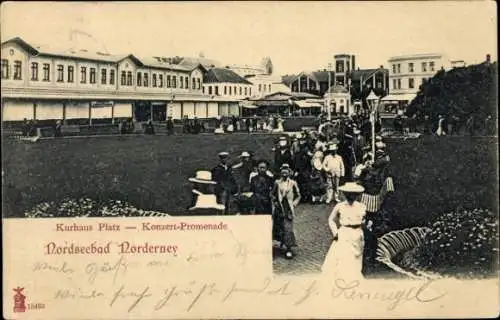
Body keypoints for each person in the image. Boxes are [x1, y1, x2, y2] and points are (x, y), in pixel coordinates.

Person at [322, 182, 369, 279]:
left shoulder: (361, 206)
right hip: (344, 234)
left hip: (357, 234)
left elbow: (364, 220)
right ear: (345, 194)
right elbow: (331, 219)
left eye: (353, 194)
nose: (351, 196)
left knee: (356, 259)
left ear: (356, 195)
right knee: (344, 258)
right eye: (348, 194)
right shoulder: (340, 206)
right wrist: (335, 232)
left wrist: (366, 223)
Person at [272, 164, 301, 259]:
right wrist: (275, 202)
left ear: (289, 172)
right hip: (279, 208)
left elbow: (298, 195)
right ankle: (279, 246)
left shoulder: (293, 183)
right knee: (279, 227)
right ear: (280, 172)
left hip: (288, 208)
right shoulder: (277, 183)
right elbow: (272, 194)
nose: (284, 173)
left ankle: (289, 249)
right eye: (283, 171)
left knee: (288, 229)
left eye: (286, 171)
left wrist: (294, 204)